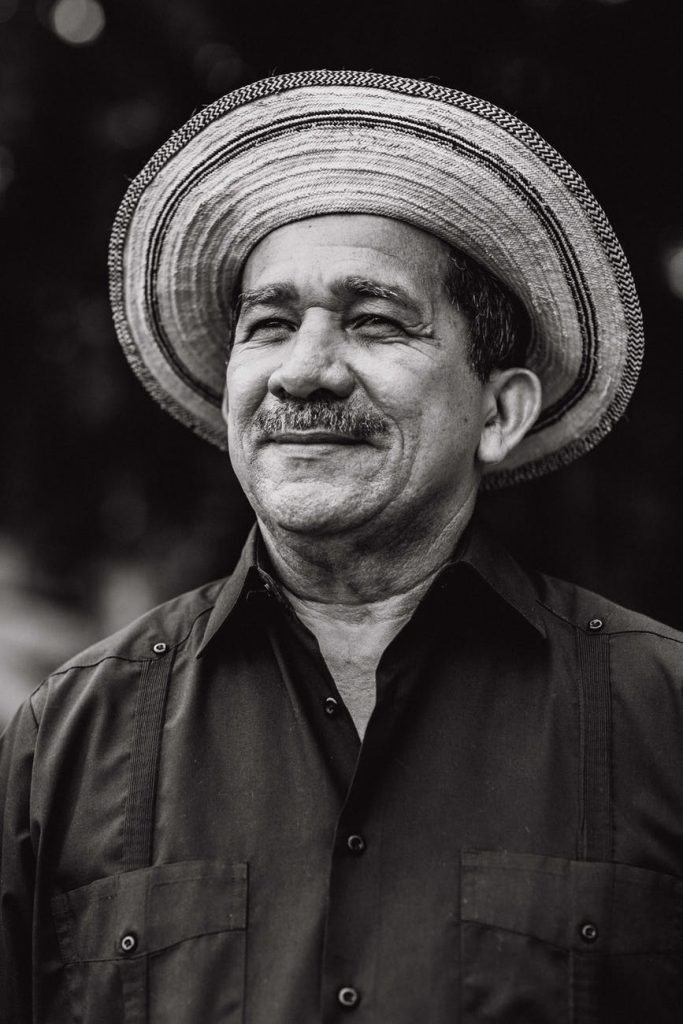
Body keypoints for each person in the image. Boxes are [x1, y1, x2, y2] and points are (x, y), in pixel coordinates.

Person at [1, 70, 682, 1024]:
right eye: (269, 325)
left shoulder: (659, 719)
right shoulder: (66, 742)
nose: (305, 371)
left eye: (372, 322)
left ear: (498, 410)